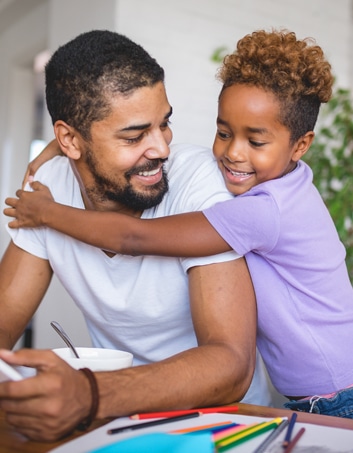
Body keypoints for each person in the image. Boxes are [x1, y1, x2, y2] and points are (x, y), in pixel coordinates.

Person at [7, 29, 353, 419]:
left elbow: (134, 238)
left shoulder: (248, 204)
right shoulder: (51, 183)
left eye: (164, 125)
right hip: (304, 395)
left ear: (300, 144)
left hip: (314, 402)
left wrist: (49, 214)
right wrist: (63, 148)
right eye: (223, 133)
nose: (163, 149)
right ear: (71, 139)